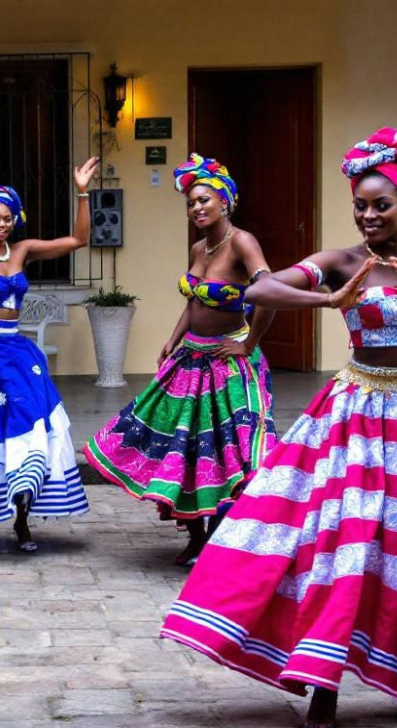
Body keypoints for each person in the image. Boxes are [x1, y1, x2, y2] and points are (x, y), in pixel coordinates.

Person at [161, 128, 397, 728]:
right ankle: (322, 686)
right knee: (344, 544)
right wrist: (330, 298)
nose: (367, 215)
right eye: (360, 205)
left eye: (380, 205)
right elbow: (259, 287)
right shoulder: (339, 260)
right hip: (355, 415)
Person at [85, 154, 277, 565]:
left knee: (229, 451)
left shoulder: (242, 242)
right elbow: (194, 300)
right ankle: (195, 537)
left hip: (229, 361)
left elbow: (270, 295)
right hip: (190, 357)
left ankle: (223, 538)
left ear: (225, 201)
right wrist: (172, 339)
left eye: (204, 200)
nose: (197, 208)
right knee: (183, 448)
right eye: (191, 203)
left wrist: (248, 343)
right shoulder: (198, 246)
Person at [0, 168, 97, 555]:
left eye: (7, 218)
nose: (1, 224)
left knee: (30, 428)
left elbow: (79, 239)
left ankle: (22, 520)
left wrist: (81, 193)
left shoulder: (22, 250)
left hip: (16, 351)